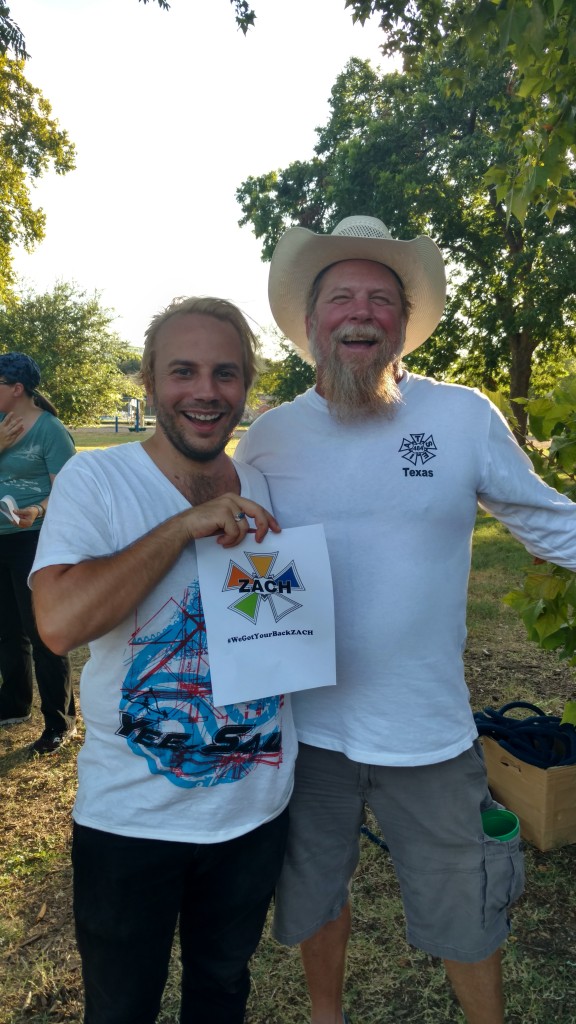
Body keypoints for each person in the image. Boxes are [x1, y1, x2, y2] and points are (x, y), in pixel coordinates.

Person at [235, 215, 576, 1024]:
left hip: (428, 727)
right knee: (314, 894)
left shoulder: (460, 416)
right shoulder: (271, 438)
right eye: (342, 296)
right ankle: (328, 1018)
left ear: (402, 325)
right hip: (306, 726)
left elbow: (546, 518)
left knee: (466, 904)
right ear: (311, 323)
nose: (362, 312)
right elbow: (242, 574)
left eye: (382, 298)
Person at [30, 296, 297, 1024]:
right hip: (132, 819)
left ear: (247, 384)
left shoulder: (267, 486)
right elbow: (57, 624)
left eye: (226, 373)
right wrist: (182, 527)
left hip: (253, 811)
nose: (205, 392)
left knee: (222, 990)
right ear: (149, 380)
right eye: (183, 371)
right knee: (121, 1008)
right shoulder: (98, 481)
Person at [0, 352, 76, 754]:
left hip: (34, 540)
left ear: (16, 389)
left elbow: (67, 490)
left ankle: (59, 720)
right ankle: (13, 703)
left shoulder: (50, 430)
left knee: (42, 630)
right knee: (7, 630)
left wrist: (38, 509)